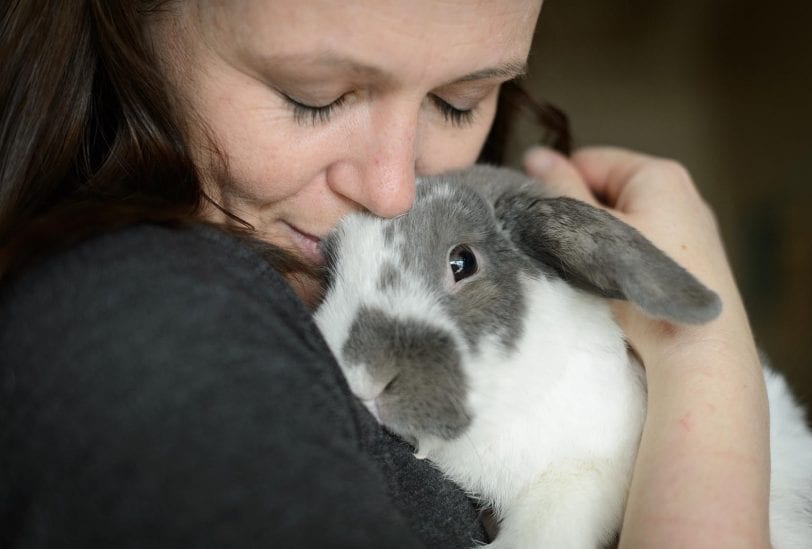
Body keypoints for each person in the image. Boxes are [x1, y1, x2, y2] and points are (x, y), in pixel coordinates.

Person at [0, 1, 770, 547]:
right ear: (125, 26)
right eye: (314, 97)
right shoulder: (138, 329)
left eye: (458, 100)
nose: (393, 188)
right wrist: (704, 365)